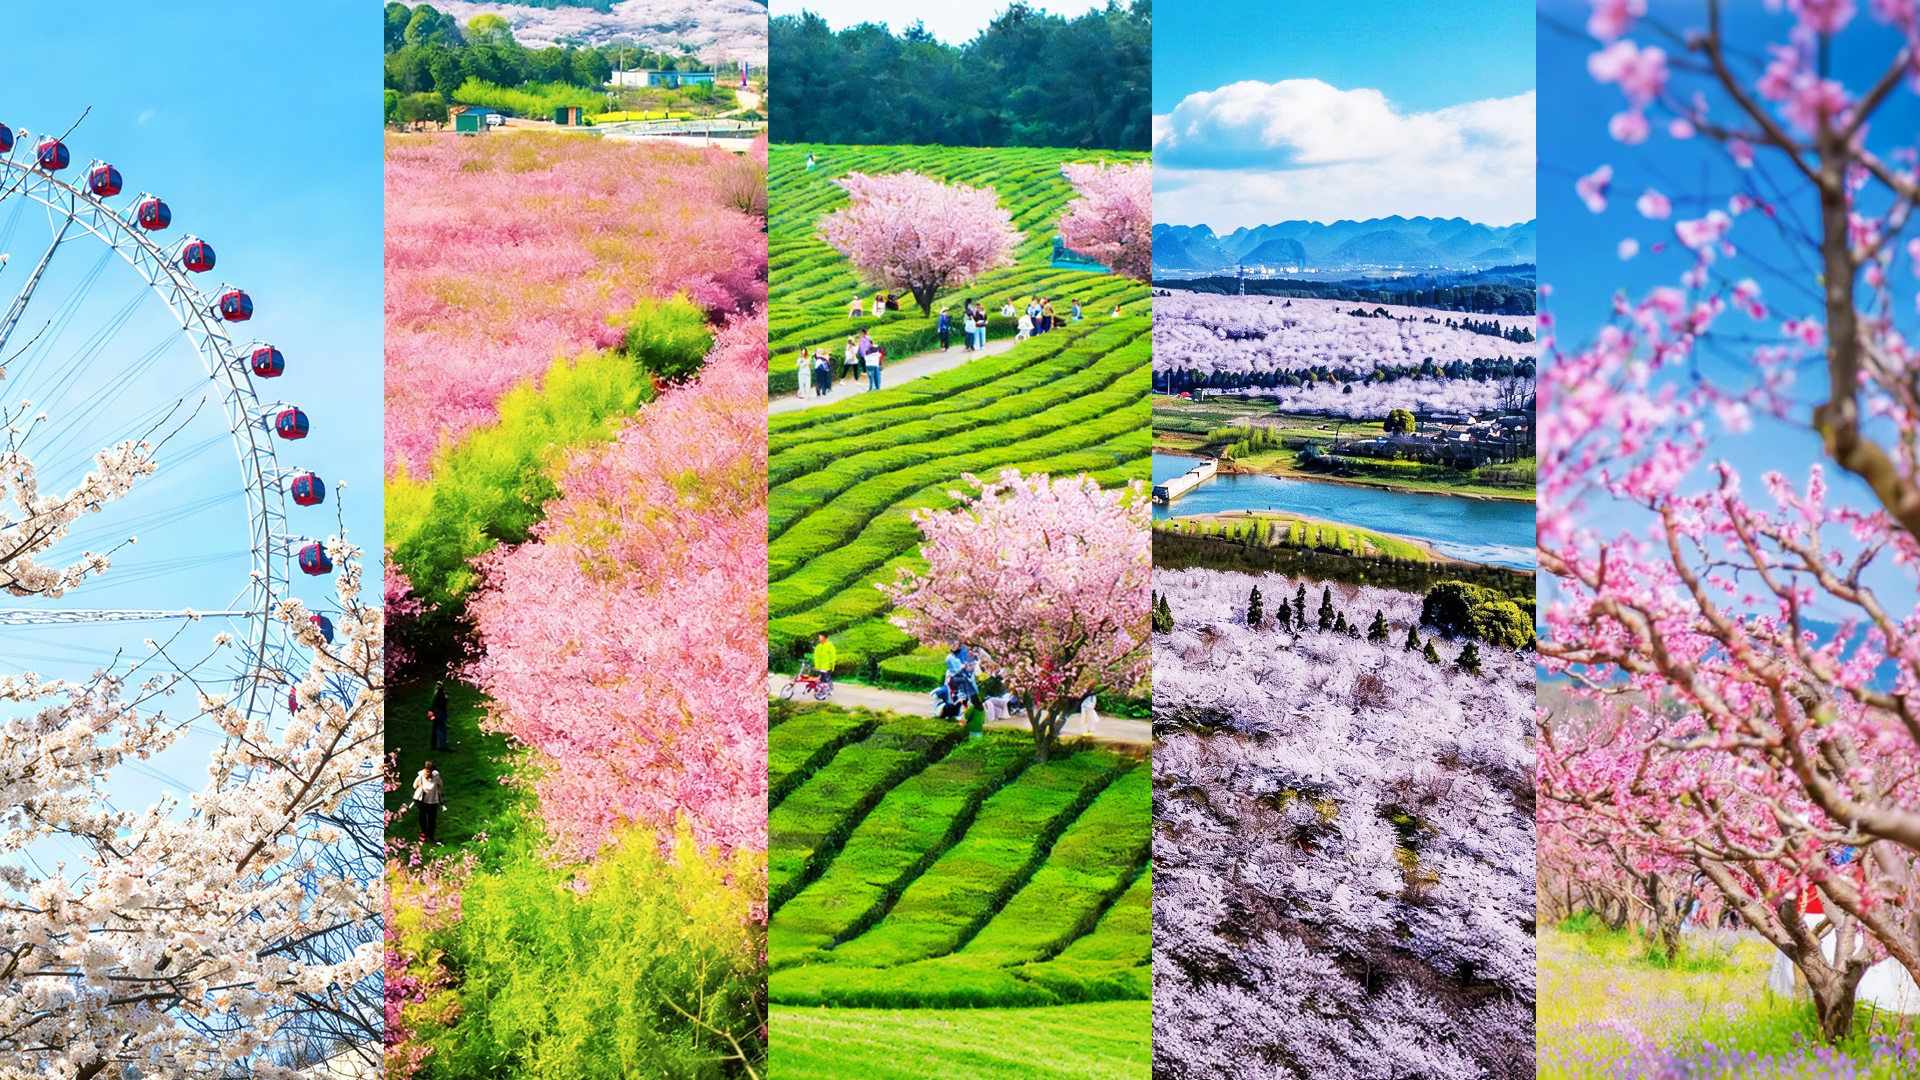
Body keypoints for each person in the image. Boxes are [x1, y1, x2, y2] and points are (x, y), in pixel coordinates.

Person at [413, 761, 444, 845]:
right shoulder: (422, 776)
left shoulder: (435, 776)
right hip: (423, 799)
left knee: (428, 817)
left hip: (430, 800)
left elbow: (414, 786)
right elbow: (415, 785)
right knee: (426, 816)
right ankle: (427, 833)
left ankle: (428, 834)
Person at [429, 682, 450, 751]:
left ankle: (435, 745)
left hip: (438, 711)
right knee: (441, 728)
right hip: (439, 712)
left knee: (436, 729)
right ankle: (442, 746)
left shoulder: (437, 692)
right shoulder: (438, 692)